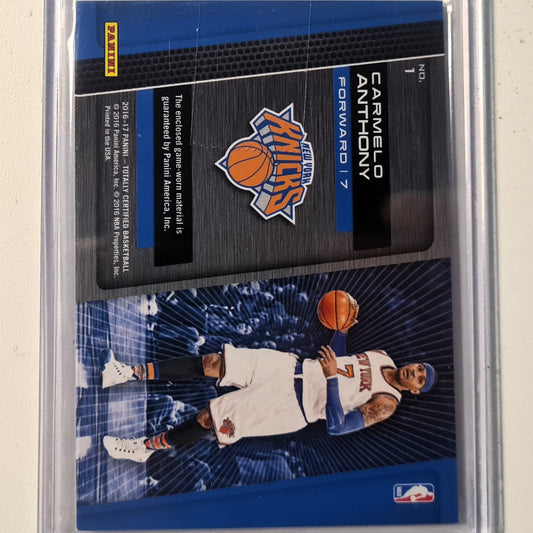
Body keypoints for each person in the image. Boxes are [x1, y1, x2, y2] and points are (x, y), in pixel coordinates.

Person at [101, 332, 437, 463]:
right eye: (420, 367)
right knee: (213, 362)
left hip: (290, 407)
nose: (415, 372)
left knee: (209, 418)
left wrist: (332, 378)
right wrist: (341, 331)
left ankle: (143, 448)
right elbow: (341, 361)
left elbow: (337, 427)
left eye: (420, 379)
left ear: (415, 390)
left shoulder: (386, 404)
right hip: (290, 367)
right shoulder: (382, 355)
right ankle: (126, 372)